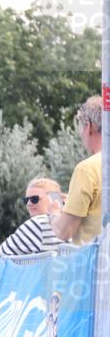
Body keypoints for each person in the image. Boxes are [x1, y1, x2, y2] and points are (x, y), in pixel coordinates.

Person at [54, 96, 103, 245]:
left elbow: (64, 231)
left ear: (88, 126)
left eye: (80, 127)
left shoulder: (87, 169)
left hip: (98, 264)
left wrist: (54, 212)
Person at [0, 178, 64, 257]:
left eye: (34, 199)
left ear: (53, 199)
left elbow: (3, 251)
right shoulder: (70, 222)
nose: (29, 203)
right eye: (26, 200)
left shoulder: (39, 223)